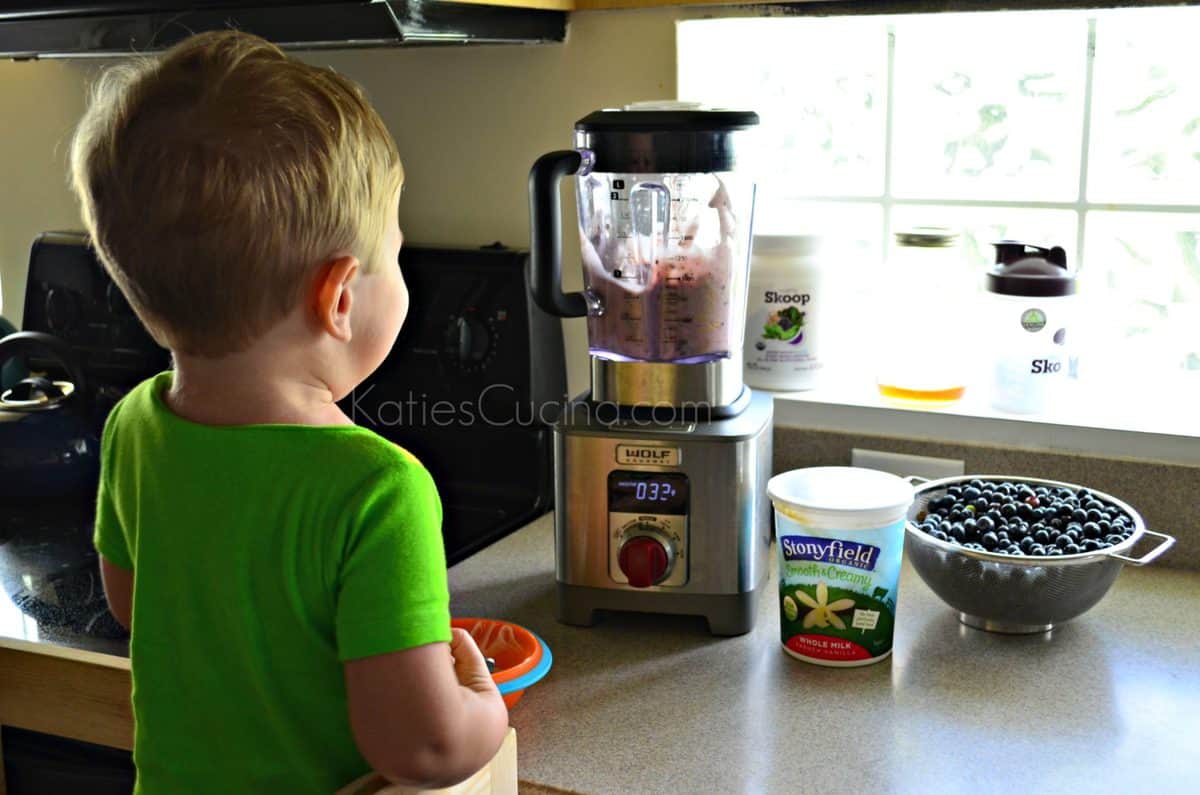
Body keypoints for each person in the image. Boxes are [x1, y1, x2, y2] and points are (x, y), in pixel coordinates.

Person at [69, 29, 508, 793]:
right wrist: (483, 708)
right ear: (339, 299)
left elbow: (134, 606)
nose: (401, 272)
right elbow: (424, 750)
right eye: (395, 254)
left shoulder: (136, 425)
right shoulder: (377, 489)